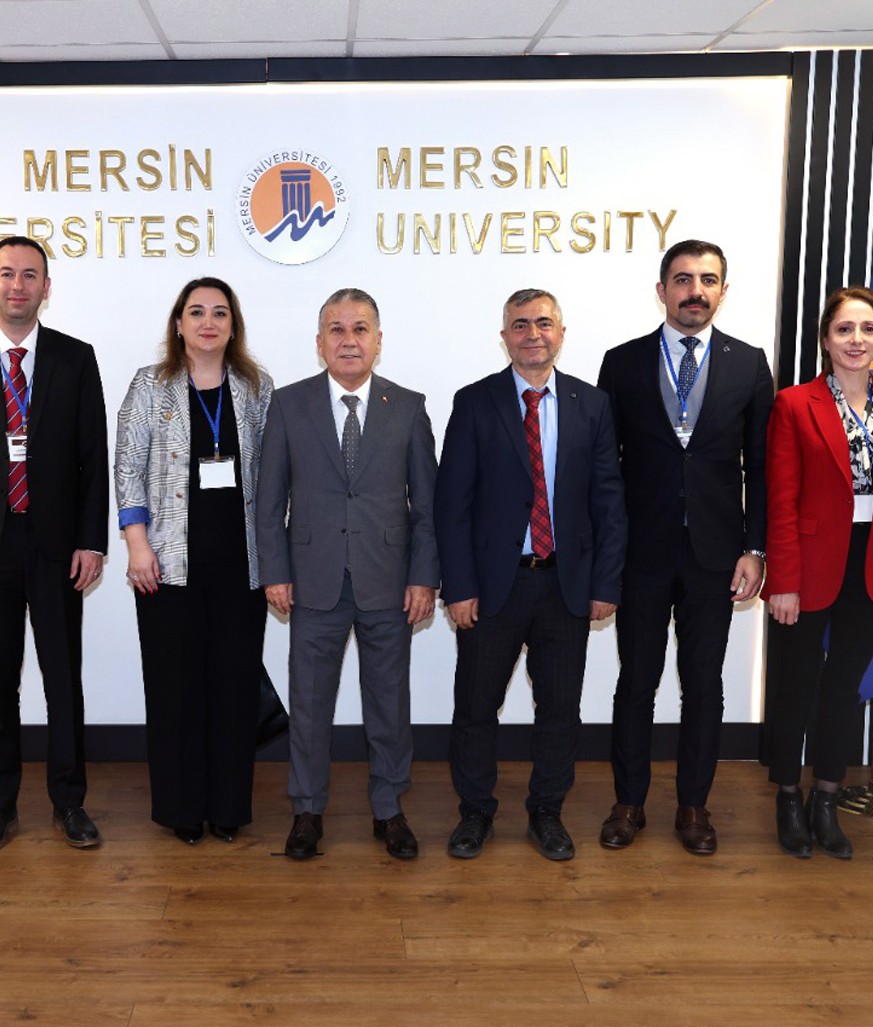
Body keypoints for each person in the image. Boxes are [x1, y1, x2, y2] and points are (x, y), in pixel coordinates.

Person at [596, 239, 776, 856]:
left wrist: (755, 549)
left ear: (723, 290)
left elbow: (762, 466)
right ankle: (628, 803)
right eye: (682, 279)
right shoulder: (621, 363)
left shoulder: (749, 364)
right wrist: (608, 551)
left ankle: (694, 807)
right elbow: (606, 469)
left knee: (703, 684)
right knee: (636, 682)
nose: (694, 290)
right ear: (662, 290)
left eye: (707, 279)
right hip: (641, 554)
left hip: (716, 556)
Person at [0, 235, 109, 852]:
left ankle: (70, 802)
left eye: (30, 275)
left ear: (45, 288)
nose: (18, 285)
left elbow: (93, 458)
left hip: (57, 544)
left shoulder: (75, 357)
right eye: (7, 273)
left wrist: (91, 540)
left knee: (63, 680)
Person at [435, 289, 625, 861]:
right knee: (475, 708)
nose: (533, 334)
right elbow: (451, 505)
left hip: (566, 586)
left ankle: (547, 812)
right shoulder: (475, 402)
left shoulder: (592, 404)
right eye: (520, 324)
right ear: (505, 337)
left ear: (561, 334)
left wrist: (605, 584)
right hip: (494, 587)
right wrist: (459, 586)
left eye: (543, 323)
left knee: (560, 710)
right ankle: (475, 812)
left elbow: (609, 501)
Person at [255, 288, 438, 861]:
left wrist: (424, 577)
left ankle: (389, 809)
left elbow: (426, 506)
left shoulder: (408, 406)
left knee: (389, 703)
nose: (349, 340)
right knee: (310, 704)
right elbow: (269, 502)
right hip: (311, 580)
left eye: (360, 329)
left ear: (378, 341)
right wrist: (275, 571)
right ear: (320, 343)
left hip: (390, 581)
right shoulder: (289, 405)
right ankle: (307, 810)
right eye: (337, 329)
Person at [763, 286, 873, 860]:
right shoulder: (794, 404)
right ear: (826, 339)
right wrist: (783, 581)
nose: (856, 340)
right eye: (844, 329)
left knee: (843, 689)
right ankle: (788, 797)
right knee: (795, 685)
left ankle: (826, 799)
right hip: (808, 565)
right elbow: (780, 500)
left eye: (868, 329)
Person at [114, 278, 274, 844]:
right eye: (197, 312)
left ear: (234, 326)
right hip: (167, 565)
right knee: (174, 689)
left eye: (220, 313)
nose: (209, 322)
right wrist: (137, 545)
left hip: (241, 565)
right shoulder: (150, 385)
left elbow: (275, 476)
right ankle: (181, 809)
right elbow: (127, 467)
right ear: (178, 323)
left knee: (233, 688)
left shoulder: (256, 387)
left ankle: (228, 807)